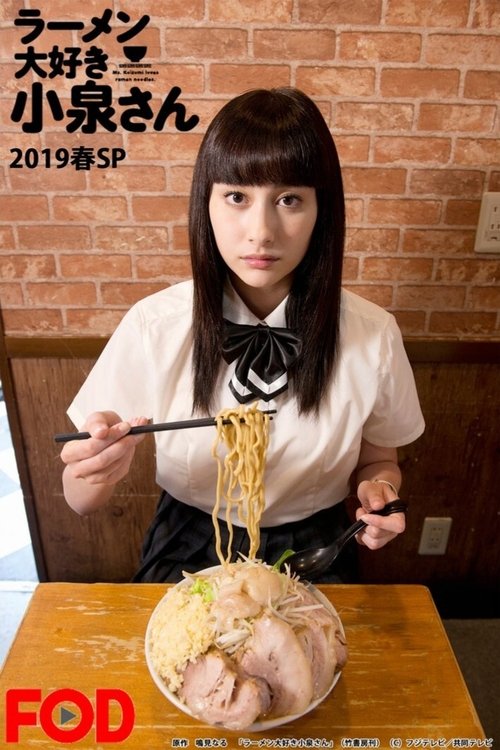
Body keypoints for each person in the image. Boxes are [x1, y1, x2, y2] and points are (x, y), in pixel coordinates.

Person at [60, 87, 425, 583]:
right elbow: (80, 502)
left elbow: (381, 460)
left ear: (322, 210)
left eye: (289, 199)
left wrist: (380, 491)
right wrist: (96, 468)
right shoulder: (154, 325)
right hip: (190, 537)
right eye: (237, 197)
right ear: (206, 204)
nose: (261, 231)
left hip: (316, 542)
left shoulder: (373, 334)